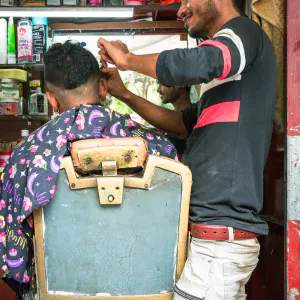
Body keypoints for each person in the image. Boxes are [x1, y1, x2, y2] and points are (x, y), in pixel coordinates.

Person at [97, 0, 277, 298]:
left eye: (184, 0)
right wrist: (124, 94)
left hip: (219, 246)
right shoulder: (224, 82)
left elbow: (198, 63)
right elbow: (182, 123)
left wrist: (129, 60)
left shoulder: (244, 33)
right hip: (213, 244)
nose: (181, 11)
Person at [0, 41, 177, 296]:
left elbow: (14, 257)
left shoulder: (26, 157)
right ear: (103, 88)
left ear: (51, 100)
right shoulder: (159, 148)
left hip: (60, 293)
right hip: (145, 289)